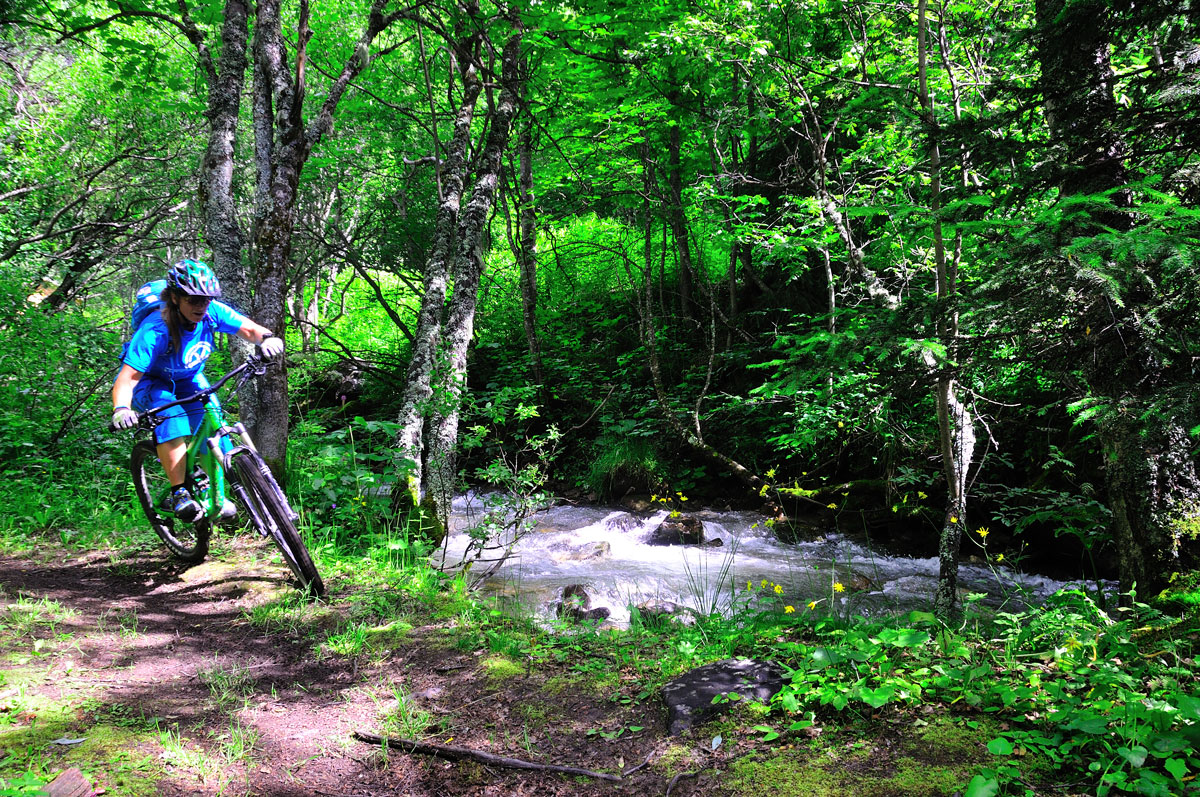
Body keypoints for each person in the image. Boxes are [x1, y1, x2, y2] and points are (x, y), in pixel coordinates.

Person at [111, 260, 285, 521]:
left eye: (205, 299)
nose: (201, 306)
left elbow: (248, 328)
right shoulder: (155, 331)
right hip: (152, 381)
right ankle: (179, 492)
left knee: (214, 421)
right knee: (173, 421)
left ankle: (212, 490)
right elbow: (127, 379)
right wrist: (121, 409)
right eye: (193, 300)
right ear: (174, 298)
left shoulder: (211, 311)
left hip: (189, 378)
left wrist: (267, 338)